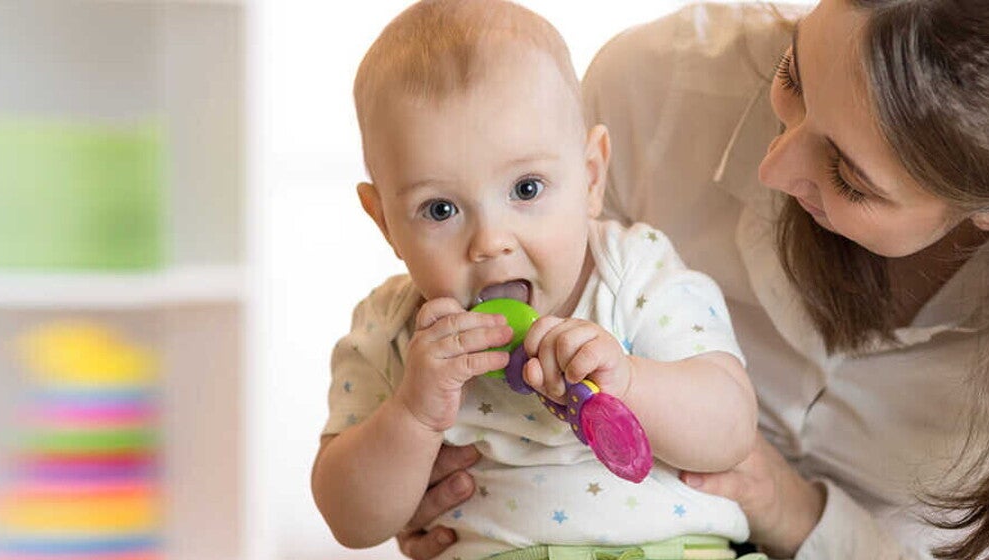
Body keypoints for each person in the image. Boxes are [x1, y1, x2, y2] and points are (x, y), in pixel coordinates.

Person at [396, 1, 989, 559]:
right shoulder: (653, 92)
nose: (775, 164)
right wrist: (435, 467)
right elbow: (484, 274)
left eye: (851, 177)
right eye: (793, 77)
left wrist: (790, 509)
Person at [309, 2, 767, 559]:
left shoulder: (635, 273)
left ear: (591, 178)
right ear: (384, 221)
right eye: (439, 210)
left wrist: (628, 381)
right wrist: (412, 414)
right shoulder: (392, 333)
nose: (489, 241)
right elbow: (349, 521)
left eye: (526, 190)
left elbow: (731, 428)